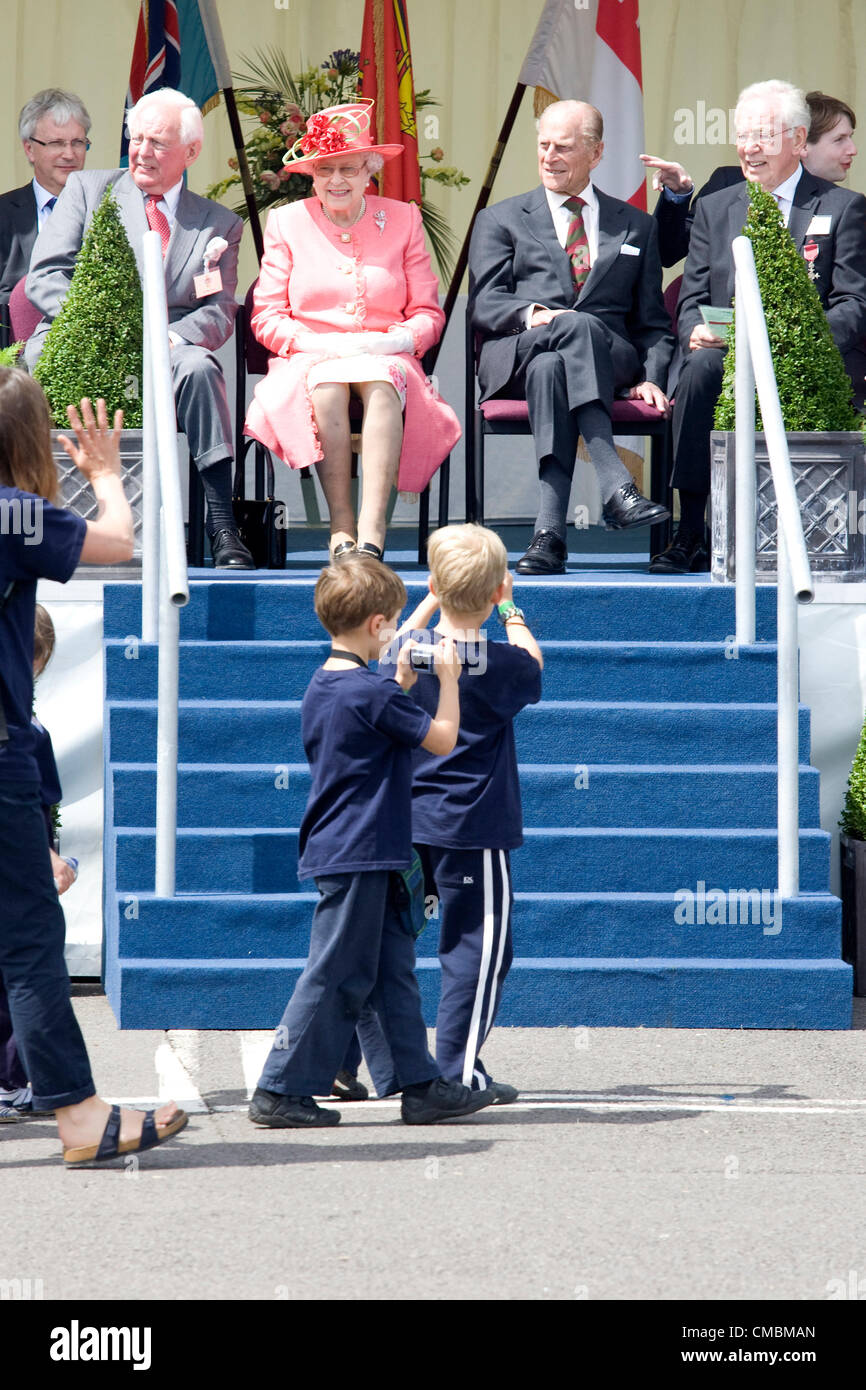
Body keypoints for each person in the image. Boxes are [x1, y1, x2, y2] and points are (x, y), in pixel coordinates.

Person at [0, 368, 188, 1163]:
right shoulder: (10, 511)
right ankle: (79, 1115)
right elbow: (118, 543)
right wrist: (107, 477)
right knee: (31, 940)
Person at [247, 554, 496, 1128]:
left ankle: (420, 1084)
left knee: (390, 971)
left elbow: (370, 711)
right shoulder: (372, 693)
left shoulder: (329, 683)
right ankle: (278, 1088)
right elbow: (441, 739)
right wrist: (449, 681)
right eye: (397, 622)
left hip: (355, 848)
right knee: (334, 970)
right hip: (361, 850)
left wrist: (400, 679)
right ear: (379, 624)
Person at [23, 88, 254, 570]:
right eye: (137, 139)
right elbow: (44, 276)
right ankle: (39, 518)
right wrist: (101, 323)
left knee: (199, 365)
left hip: (167, 348)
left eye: (158, 143)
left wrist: (167, 338)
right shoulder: (88, 189)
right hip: (82, 335)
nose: (143, 152)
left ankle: (221, 524)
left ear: (191, 152)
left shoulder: (217, 223)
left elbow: (218, 310)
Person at [650, 80, 866, 576]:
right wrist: (693, 332)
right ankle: (692, 529)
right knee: (701, 367)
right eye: (743, 135)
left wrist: (791, 341)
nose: (749, 147)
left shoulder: (842, 208)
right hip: (727, 353)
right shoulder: (715, 206)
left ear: (796, 139)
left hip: (810, 355)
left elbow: (854, 304)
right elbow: (693, 298)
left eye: (763, 136)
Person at [244, 100, 461, 563]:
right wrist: (315, 343)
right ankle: (339, 527)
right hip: (310, 356)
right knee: (325, 390)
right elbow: (265, 315)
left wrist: (395, 340)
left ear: (369, 172)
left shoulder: (403, 219)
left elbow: (428, 312)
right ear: (311, 175)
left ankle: (372, 532)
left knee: (382, 384)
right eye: (325, 171)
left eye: (348, 169)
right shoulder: (287, 221)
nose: (336, 181)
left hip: (386, 355)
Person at [468, 99, 674, 576]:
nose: (549, 157)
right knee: (556, 349)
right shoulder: (501, 219)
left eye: (563, 147)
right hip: (521, 353)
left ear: (596, 153)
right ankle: (615, 486)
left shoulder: (637, 225)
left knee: (561, 358)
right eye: (543, 146)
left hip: (611, 356)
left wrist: (651, 377)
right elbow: (484, 305)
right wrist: (536, 314)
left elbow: (651, 320)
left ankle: (548, 537)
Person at [395, 524, 543, 1100]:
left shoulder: (410, 650)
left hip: (407, 821)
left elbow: (401, 635)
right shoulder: (502, 662)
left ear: (433, 583)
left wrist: (434, 595)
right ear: (491, 594)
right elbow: (534, 661)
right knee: (475, 952)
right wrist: (509, 608)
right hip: (472, 827)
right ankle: (455, 1071)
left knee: (386, 945)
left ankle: (346, 1055)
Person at [0, 604, 74, 1122]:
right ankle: (11, 1083)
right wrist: (49, 857)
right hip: (20, 862)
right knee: (24, 973)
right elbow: (33, 807)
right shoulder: (26, 732)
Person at [644, 91, 859, 268]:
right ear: (801, 143)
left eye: (850, 138)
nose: (853, 150)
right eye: (839, 140)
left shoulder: (844, 206)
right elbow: (667, 252)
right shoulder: (730, 183)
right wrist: (678, 196)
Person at [0, 88, 91, 338]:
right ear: (29, 149)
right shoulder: (3, 216)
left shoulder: (108, 211)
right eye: (56, 143)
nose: (69, 154)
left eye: (78, 143)